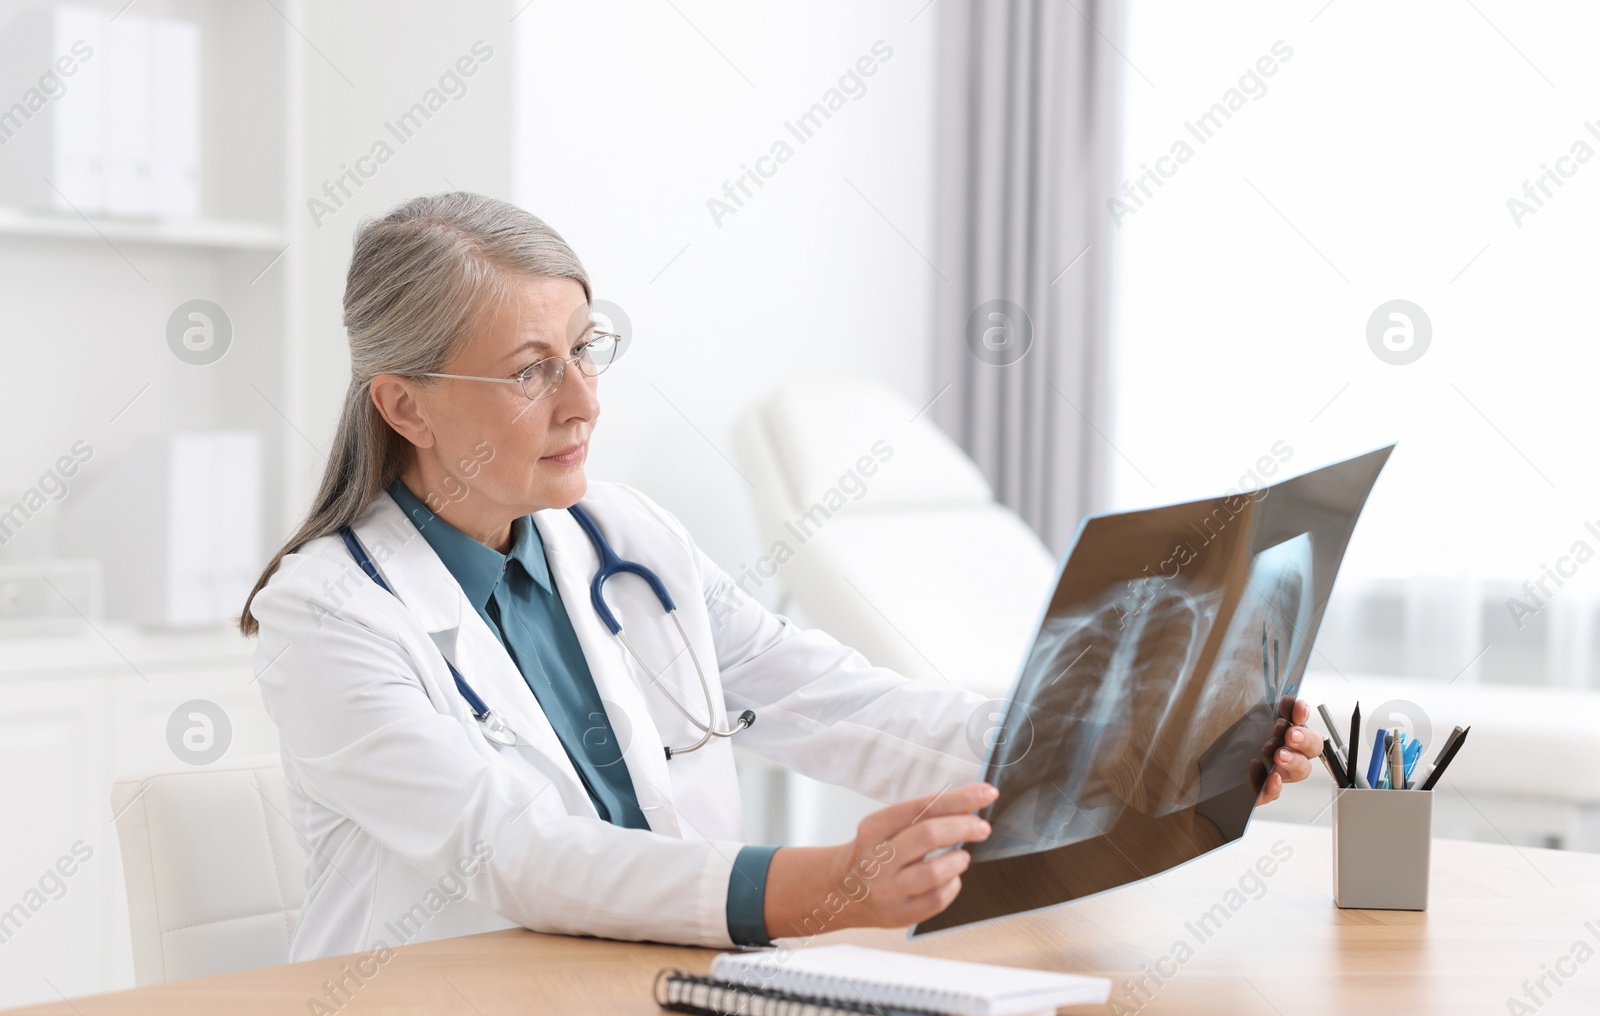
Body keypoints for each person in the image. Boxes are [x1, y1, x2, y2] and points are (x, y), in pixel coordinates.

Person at [240, 191, 1322, 962]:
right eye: (531, 370)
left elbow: (838, 701)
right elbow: (512, 850)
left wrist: (1150, 738)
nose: (584, 401)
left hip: (652, 997)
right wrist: (823, 887)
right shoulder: (327, 615)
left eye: (587, 347)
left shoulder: (627, 539)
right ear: (405, 405)